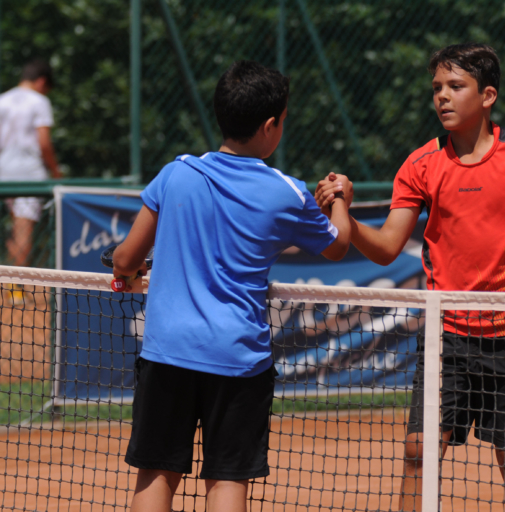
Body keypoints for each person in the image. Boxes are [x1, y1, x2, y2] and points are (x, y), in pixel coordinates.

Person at [316, 43, 505, 512]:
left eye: (455, 86)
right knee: (420, 450)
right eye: (436, 88)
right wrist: (342, 208)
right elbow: (386, 248)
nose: (442, 97)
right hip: (447, 335)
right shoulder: (420, 164)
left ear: (487, 96)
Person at [111, 60, 352, 512]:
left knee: (156, 474)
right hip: (238, 359)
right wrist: (340, 198)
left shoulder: (176, 172)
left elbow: (124, 259)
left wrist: (129, 269)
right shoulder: (288, 192)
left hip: (167, 352)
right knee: (227, 483)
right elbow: (338, 245)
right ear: (270, 125)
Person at [0, 59, 61, 271]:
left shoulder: (3, 99)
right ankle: (16, 284)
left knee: (17, 226)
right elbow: (44, 143)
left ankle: (10, 278)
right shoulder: (39, 101)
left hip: (4, 169)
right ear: (42, 81)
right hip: (29, 171)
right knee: (23, 228)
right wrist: (56, 171)